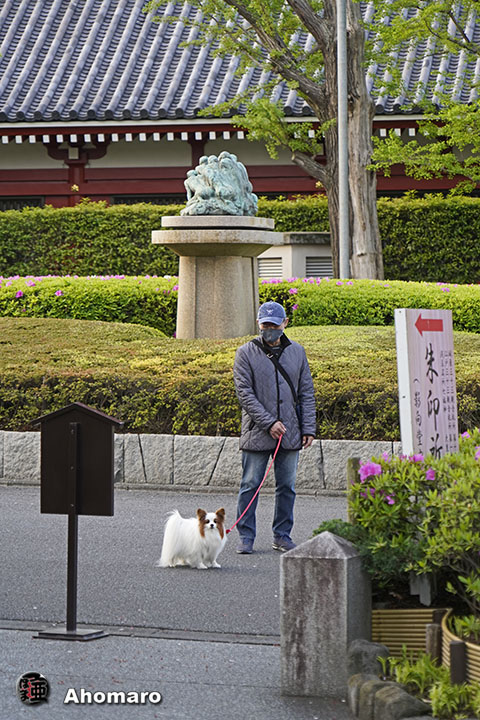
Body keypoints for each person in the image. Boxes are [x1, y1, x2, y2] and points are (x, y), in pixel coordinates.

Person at [233, 301, 316, 554]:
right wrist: (269, 422)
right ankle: (245, 536)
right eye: (265, 325)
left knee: (287, 487)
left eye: (274, 325)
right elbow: (244, 394)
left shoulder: (297, 352)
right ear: (258, 324)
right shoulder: (245, 353)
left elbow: (306, 392)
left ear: (285, 323)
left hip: (290, 432)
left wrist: (308, 428)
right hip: (257, 431)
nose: (269, 329)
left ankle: (282, 535)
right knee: (250, 484)